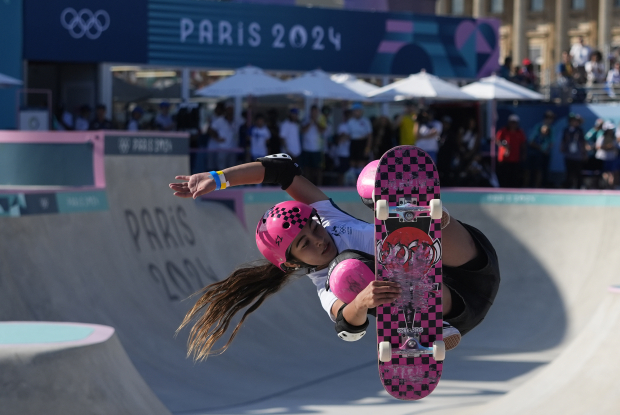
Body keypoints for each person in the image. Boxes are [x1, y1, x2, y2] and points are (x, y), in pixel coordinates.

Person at [169, 154, 501, 361]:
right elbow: (348, 326)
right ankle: (422, 329)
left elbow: (282, 170)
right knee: (347, 273)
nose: (319, 238)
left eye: (313, 226)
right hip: (450, 310)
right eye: (304, 243)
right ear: (291, 263)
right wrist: (362, 302)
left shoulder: (327, 215)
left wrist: (218, 178)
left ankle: (425, 216)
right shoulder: (326, 286)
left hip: (468, 262)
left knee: (371, 182)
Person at [495, 114, 527, 188]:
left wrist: (524, 154)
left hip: (515, 159)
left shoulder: (520, 132)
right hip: (504, 159)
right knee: (504, 176)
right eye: (511, 122)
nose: (513, 124)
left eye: (515, 122)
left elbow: (523, 144)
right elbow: (497, 140)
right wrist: (503, 144)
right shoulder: (503, 131)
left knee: (514, 177)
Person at [525, 112, 555, 188]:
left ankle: (540, 186)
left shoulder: (551, 129)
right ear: (545, 118)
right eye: (548, 118)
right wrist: (541, 148)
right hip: (535, 154)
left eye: (551, 118)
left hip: (545, 154)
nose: (550, 120)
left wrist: (546, 150)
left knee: (542, 171)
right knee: (533, 170)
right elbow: (531, 141)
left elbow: (551, 142)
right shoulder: (538, 127)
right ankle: (529, 186)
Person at [301, 105, 326, 185]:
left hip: (317, 149)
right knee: (307, 169)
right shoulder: (305, 119)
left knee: (318, 169)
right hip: (306, 148)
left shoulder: (321, 120)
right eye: (313, 111)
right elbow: (303, 130)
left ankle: (319, 186)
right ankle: (308, 186)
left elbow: (322, 130)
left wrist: (315, 122)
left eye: (316, 111)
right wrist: (311, 122)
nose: (314, 113)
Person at [560, 113, 587, 189]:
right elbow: (563, 140)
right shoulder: (566, 130)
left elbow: (582, 143)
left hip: (577, 155)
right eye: (573, 121)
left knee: (578, 172)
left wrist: (584, 153)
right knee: (569, 172)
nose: (575, 122)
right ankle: (568, 185)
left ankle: (579, 186)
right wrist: (562, 147)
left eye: (576, 121)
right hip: (569, 155)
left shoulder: (579, 130)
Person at [346, 103, 373, 172]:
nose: (357, 112)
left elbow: (369, 135)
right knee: (352, 162)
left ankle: (361, 179)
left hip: (362, 143)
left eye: (359, 110)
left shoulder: (366, 121)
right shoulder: (350, 121)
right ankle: (352, 180)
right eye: (356, 111)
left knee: (362, 163)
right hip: (353, 142)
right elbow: (348, 135)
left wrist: (367, 148)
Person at [210, 105, 237, 170]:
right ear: (225, 111)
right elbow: (210, 129)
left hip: (233, 149)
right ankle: (221, 180)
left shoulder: (235, 120)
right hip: (222, 148)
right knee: (221, 169)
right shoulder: (220, 120)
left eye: (231, 110)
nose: (230, 112)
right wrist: (216, 138)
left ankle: (231, 180)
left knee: (232, 169)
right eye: (229, 110)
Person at [595, 122, 619, 189]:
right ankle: (607, 185)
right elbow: (597, 146)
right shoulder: (601, 137)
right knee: (605, 173)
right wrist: (607, 147)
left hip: (612, 158)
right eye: (609, 130)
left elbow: (616, 147)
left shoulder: (613, 139)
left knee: (613, 173)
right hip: (603, 158)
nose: (610, 131)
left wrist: (612, 147)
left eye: (611, 130)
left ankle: (612, 186)